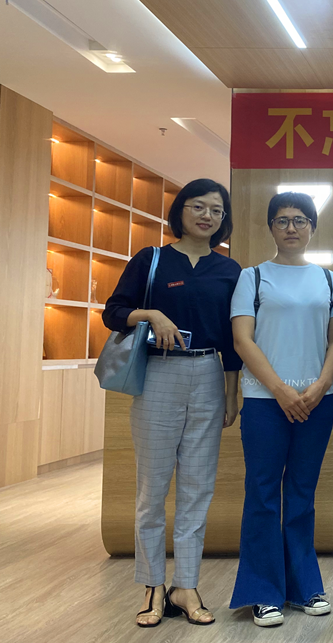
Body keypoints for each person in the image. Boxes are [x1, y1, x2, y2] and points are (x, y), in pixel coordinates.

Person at [103, 179, 240, 627]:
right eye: (198, 206)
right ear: (180, 210)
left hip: (208, 374)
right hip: (158, 374)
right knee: (152, 488)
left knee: (198, 488)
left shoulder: (229, 270)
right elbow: (112, 312)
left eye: (216, 210)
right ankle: (152, 586)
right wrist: (151, 314)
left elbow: (233, 338)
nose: (207, 216)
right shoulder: (152, 259)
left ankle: (186, 585)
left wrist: (231, 391)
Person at [228, 192, 333, 627]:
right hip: (265, 402)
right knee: (262, 493)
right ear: (271, 228)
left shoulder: (329, 280)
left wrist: (319, 386)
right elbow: (242, 340)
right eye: (282, 220)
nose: (291, 228)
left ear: (313, 227)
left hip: (318, 400)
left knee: (301, 493)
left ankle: (303, 586)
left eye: (300, 220)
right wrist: (280, 390)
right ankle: (262, 592)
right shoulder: (253, 277)